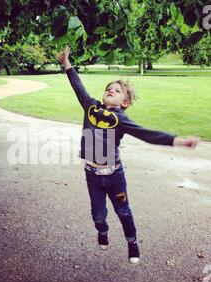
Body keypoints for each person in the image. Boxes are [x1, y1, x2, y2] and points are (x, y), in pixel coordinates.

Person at [58, 45, 199, 265]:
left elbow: (147, 135)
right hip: (92, 174)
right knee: (98, 215)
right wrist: (66, 63)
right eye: (109, 88)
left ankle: (132, 242)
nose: (111, 90)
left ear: (124, 102)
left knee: (123, 212)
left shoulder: (121, 119)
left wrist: (180, 141)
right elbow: (78, 86)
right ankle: (102, 231)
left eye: (117, 90)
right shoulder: (91, 107)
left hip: (114, 175)